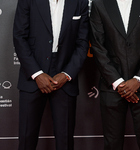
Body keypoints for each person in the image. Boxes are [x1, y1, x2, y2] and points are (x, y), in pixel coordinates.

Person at [13, 0, 89, 149]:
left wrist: (66, 74)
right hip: (32, 76)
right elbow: (19, 37)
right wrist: (37, 74)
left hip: (65, 76)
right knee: (26, 139)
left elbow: (82, 43)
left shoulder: (80, 2)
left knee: (65, 140)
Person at [90, 0, 140, 149]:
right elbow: (97, 46)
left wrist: (138, 79)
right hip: (112, 86)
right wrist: (118, 82)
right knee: (112, 143)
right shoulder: (100, 4)